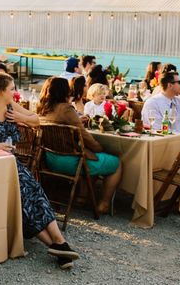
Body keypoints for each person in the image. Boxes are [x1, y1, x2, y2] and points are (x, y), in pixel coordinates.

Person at [0, 73, 80, 269]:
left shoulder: (9, 107)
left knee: (35, 191)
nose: (15, 92)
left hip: (9, 164)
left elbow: (36, 121)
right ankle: (59, 245)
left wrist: (20, 117)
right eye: (12, 89)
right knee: (23, 195)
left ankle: (59, 244)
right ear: (0, 91)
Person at [37, 77, 123, 214]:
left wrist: (77, 120)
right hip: (71, 163)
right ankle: (104, 203)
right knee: (116, 162)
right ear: (64, 91)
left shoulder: (42, 108)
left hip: (49, 160)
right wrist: (100, 148)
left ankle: (83, 197)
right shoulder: (65, 108)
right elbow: (86, 138)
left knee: (89, 155)